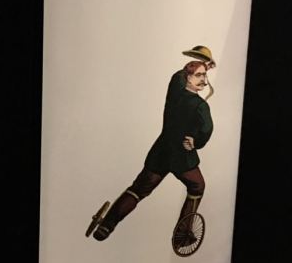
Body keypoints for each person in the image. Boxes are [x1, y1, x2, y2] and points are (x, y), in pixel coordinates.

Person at [89, 46, 215, 242]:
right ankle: (183, 234)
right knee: (197, 186)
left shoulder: (175, 91)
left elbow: (178, 76)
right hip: (182, 158)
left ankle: (106, 225)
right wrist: (196, 142)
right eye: (199, 75)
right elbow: (207, 129)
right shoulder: (201, 105)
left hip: (160, 153)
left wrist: (201, 66)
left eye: (204, 76)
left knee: (138, 190)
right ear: (188, 77)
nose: (204, 81)